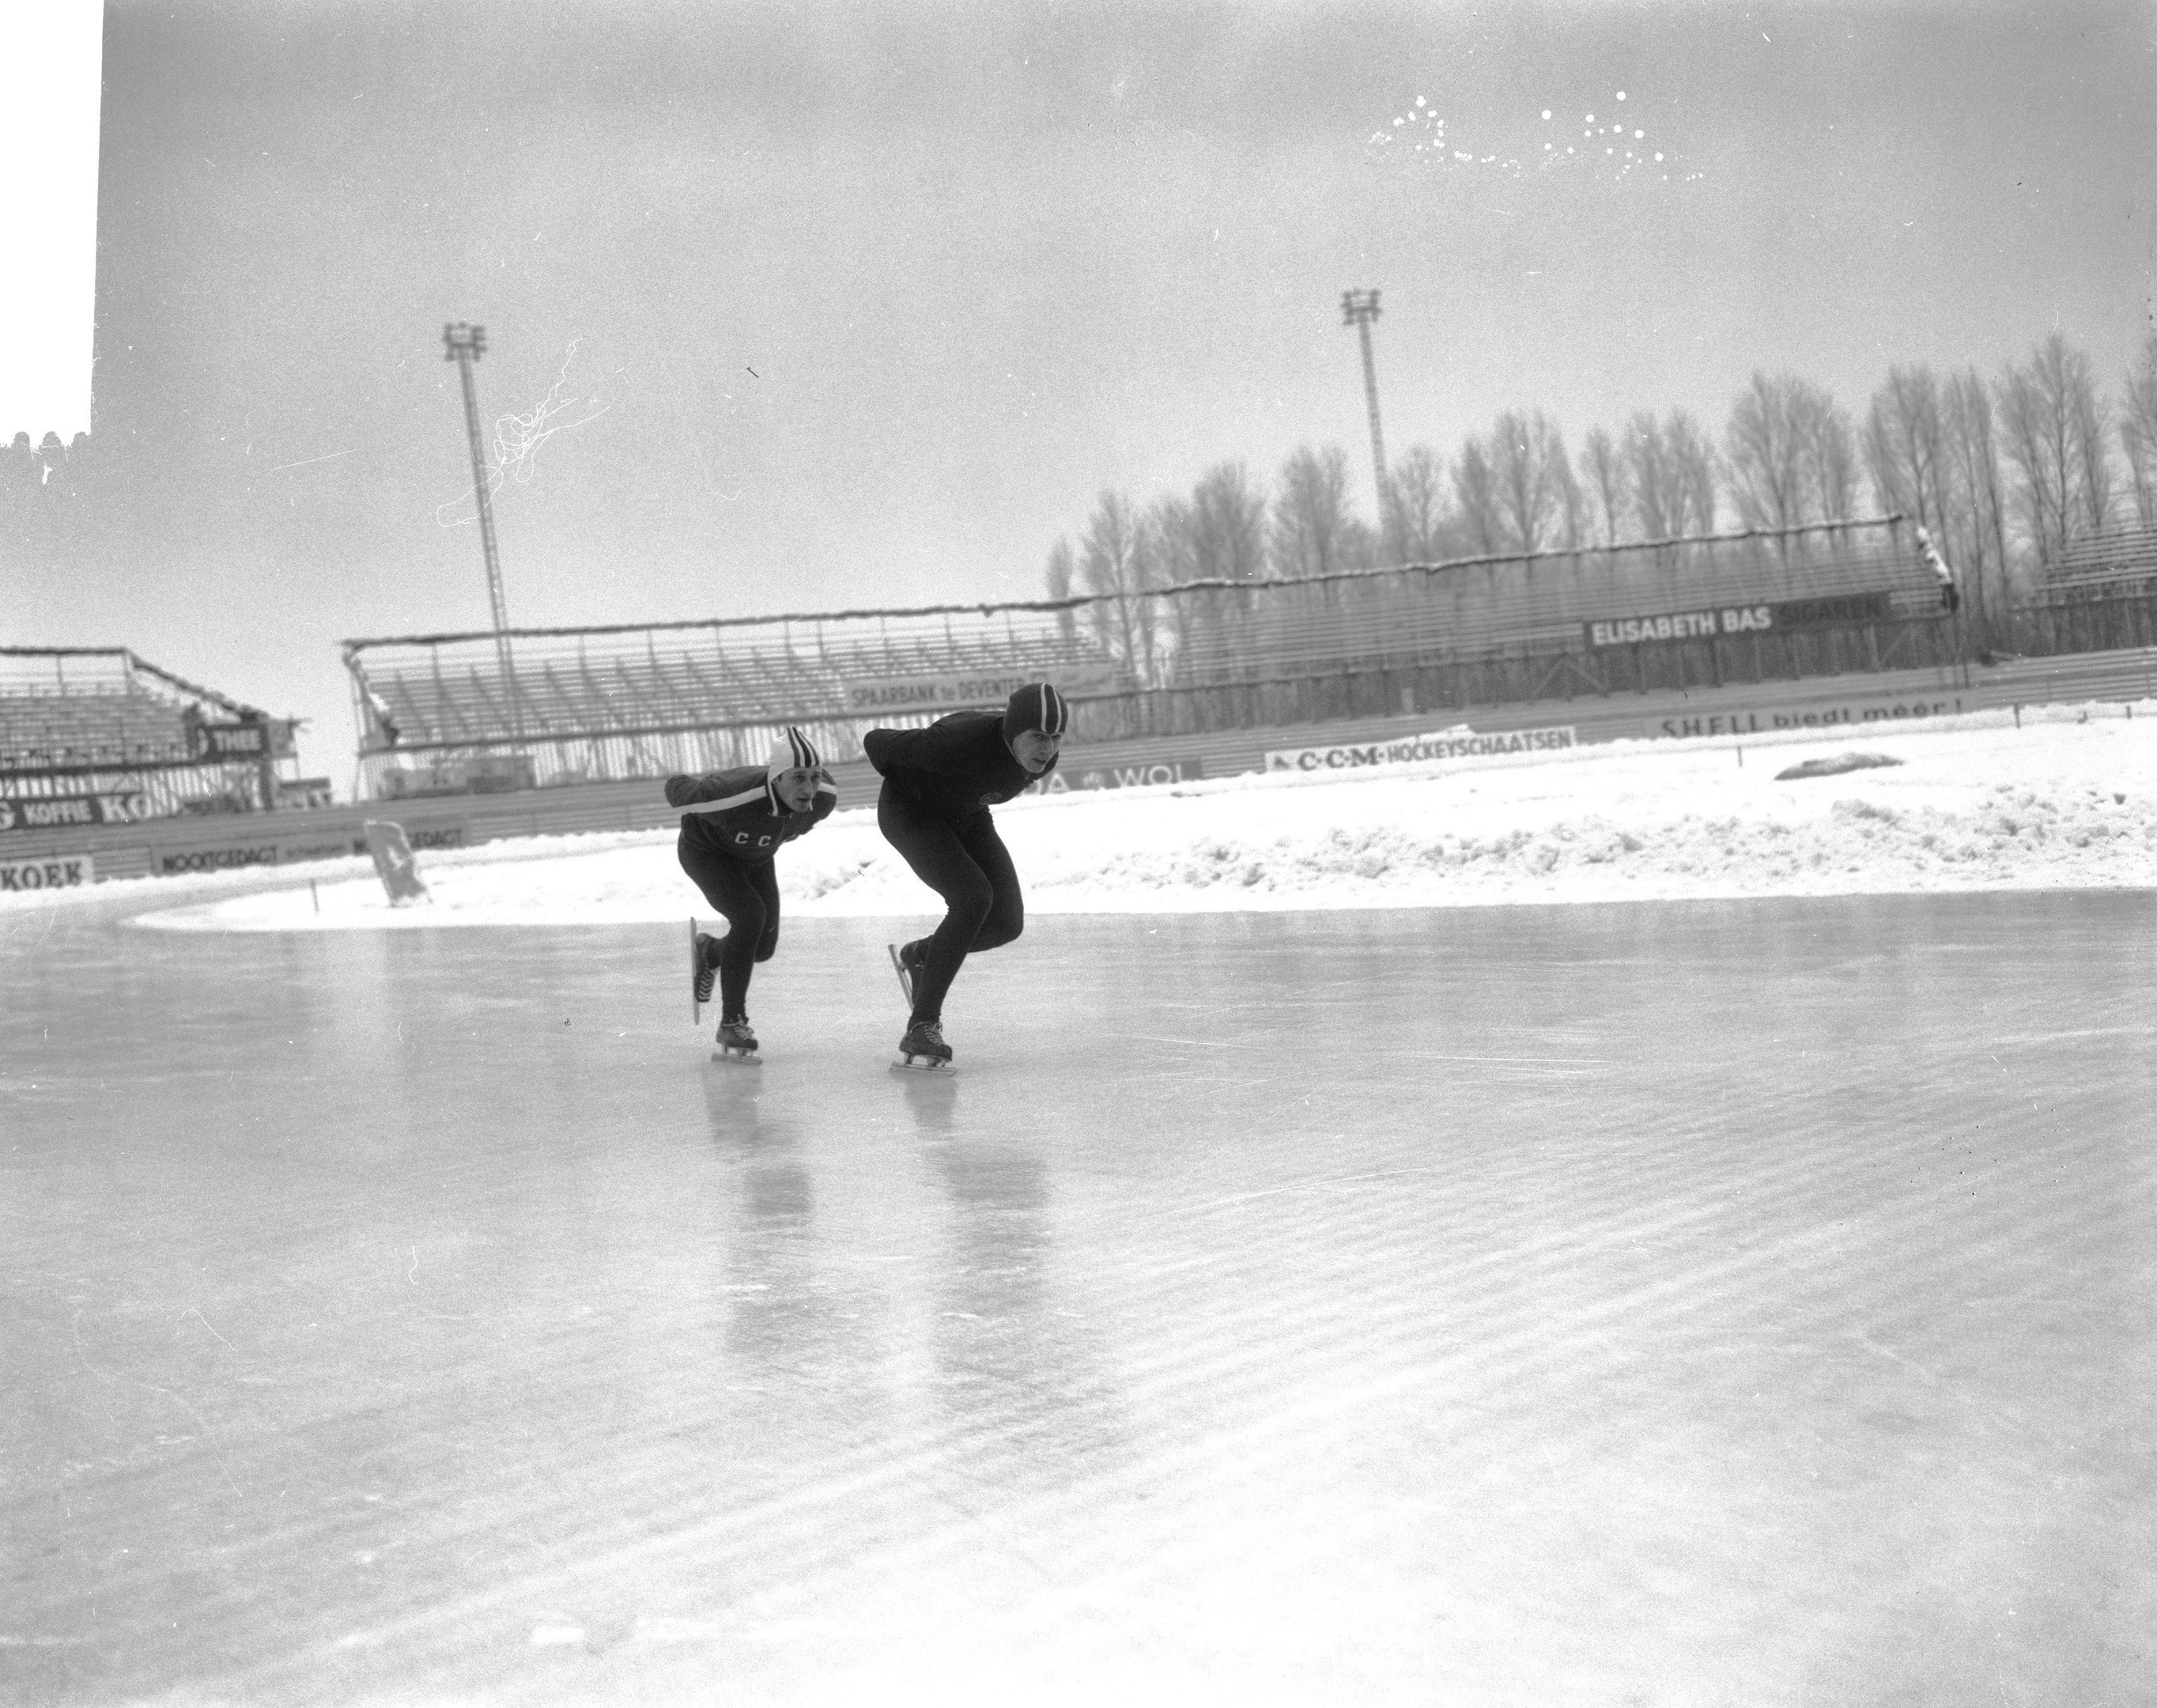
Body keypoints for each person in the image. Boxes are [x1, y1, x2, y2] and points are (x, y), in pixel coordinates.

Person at [864, 682, 1067, 1068]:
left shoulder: (1043, 759)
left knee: (1006, 923)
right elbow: (875, 742)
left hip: (968, 816)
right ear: (1012, 730)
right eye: (1039, 736)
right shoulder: (956, 742)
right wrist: (909, 781)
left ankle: (922, 955)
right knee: (972, 898)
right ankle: (922, 1025)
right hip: (911, 812)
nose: (1047, 748)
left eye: (1056, 737)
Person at [665, 727, 837, 1058]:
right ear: (776, 777)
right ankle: (732, 1022)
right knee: (750, 916)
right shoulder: (731, 794)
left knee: (762, 948)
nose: (808, 788)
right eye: (798, 778)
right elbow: (676, 787)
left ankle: (712, 952)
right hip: (707, 854)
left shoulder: (824, 799)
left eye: (815, 777)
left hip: (756, 857)